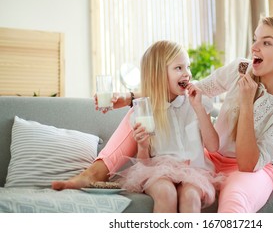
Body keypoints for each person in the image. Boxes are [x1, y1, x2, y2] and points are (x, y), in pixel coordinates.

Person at [53, 16, 273, 213]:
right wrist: (130, 98)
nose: (254, 47)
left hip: (249, 168)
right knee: (141, 111)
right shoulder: (241, 68)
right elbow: (191, 89)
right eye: (255, 39)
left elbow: (247, 162)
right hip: (211, 157)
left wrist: (246, 103)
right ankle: (94, 173)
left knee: (234, 202)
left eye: (266, 42)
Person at [55, 40, 222, 213]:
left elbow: (213, 146)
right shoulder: (144, 112)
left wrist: (199, 109)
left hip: (193, 171)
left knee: (191, 197)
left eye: (187, 67)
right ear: (158, 74)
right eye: (179, 68)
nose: (187, 73)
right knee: (166, 193)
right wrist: (142, 145)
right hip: (158, 171)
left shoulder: (197, 102)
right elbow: (144, 162)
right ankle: (90, 175)